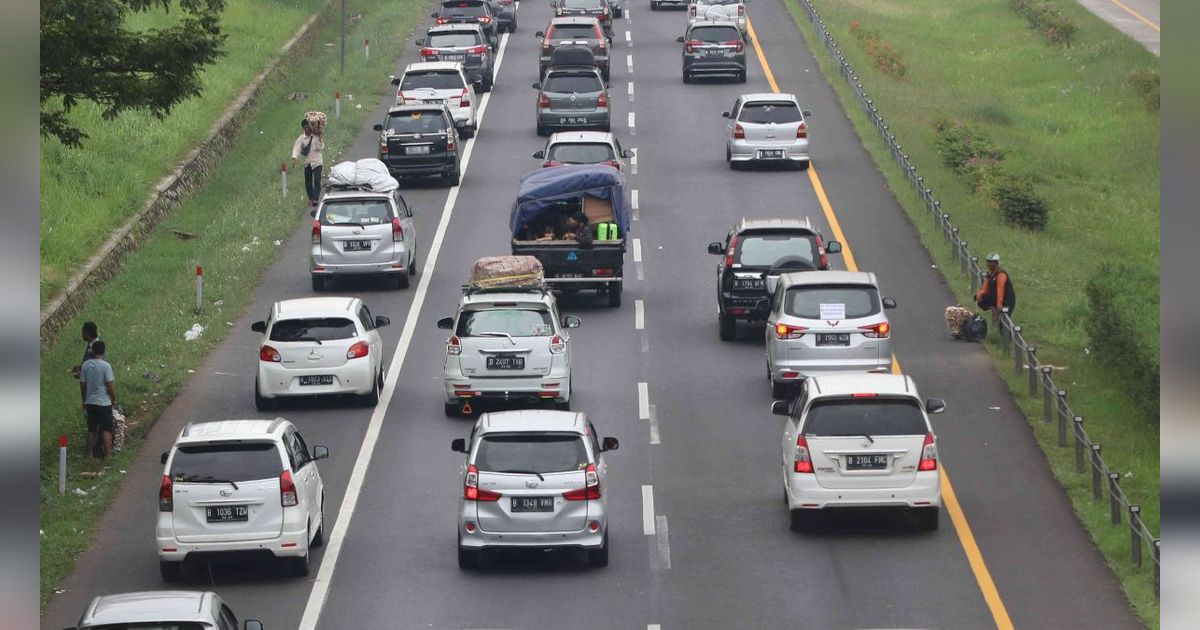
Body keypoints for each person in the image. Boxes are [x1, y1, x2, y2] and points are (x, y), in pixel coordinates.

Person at [79, 340, 116, 463]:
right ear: (103, 352)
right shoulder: (106, 366)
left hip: (90, 402)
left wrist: (84, 400)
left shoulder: (85, 366)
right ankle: (108, 455)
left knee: (91, 429)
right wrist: (113, 398)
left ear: (92, 351)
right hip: (104, 402)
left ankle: (90, 455)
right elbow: (109, 385)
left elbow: (83, 385)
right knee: (106, 429)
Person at [291, 119, 325, 207]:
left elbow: (320, 148)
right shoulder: (302, 138)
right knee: (308, 181)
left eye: (308, 127)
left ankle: (316, 199)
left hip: (317, 162)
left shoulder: (316, 136)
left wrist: (320, 138)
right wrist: (294, 158)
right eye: (305, 127)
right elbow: (297, 148)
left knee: (317, 180)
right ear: (303, 128)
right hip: (308, 162)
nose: (307, 129)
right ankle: (311, 198)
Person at [975, 252, 1016, 318]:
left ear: (996, 263)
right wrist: (980, 293)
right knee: (978, 297)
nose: (988, 264)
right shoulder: (990, 273)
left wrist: (999, 303)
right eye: (987, 261)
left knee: (1004, 321)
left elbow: (1000, 289)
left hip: (1006, 300)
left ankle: (998, 315)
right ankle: (993, 309)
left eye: (990, 262)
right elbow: (985, 288)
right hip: (995, 296)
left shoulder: (1001, 274)